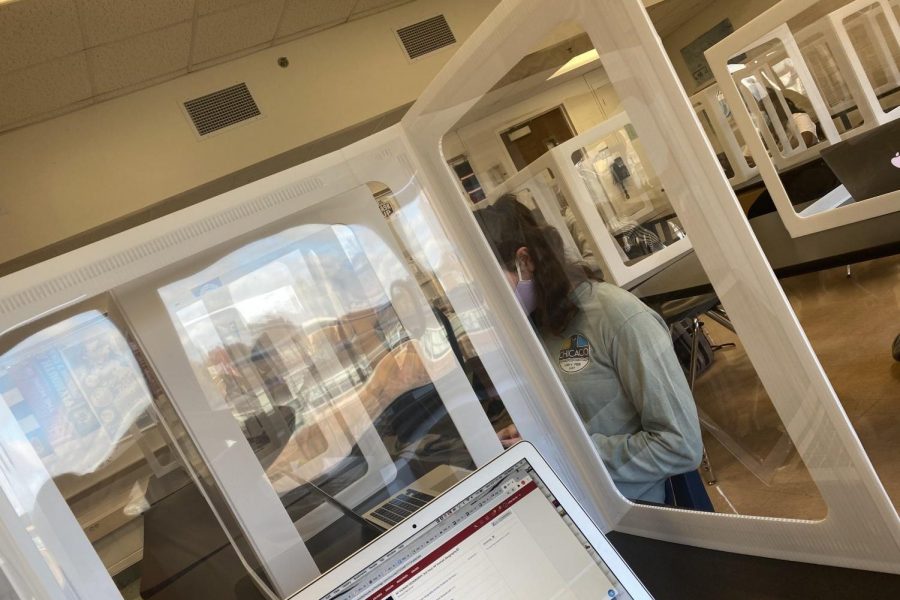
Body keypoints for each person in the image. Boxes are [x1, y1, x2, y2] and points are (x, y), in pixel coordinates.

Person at [474, 195, 703, 505]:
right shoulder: (538, 327)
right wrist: (533, 432)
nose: (487, 301)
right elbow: (581, 415)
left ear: (525, 261)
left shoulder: (618, 317)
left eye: (489, 283)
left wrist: (561, 448)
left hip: (640, 509)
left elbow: (680, 446)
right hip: (579, 499)